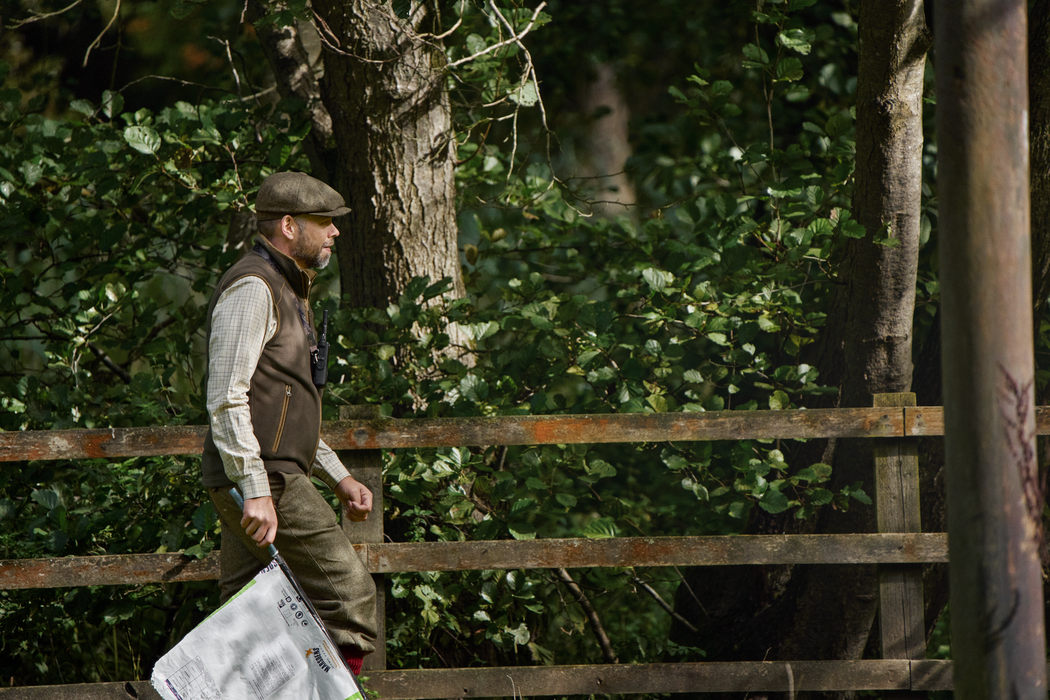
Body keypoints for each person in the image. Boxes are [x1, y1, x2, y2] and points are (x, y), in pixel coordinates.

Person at [201, 171, 377, 675]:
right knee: (352, 596)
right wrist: (255, 487)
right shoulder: (254, 287)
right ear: (288, 225)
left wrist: (338, 475)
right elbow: (226, 398)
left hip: (261, 475)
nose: (335, 232)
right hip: (267, 479)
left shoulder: (287, 287)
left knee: (244, 608)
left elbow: (286, 410)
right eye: (324, 221)